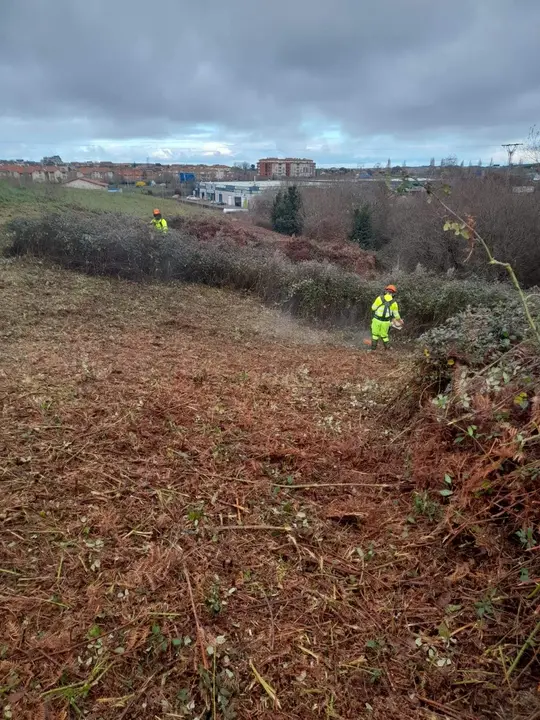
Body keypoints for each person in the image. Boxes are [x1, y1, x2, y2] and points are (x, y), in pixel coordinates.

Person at [370, 284, 402, 350]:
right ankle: (388, 349)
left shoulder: (379, 298)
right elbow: (396, 315)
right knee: (384, 336)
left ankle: (373, 349)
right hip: (386, 322)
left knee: (375, 335)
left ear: (386, 291)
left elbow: (373, 308)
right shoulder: (394, 303)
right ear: (393, 294)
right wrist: (399, 321)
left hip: (376, 320)